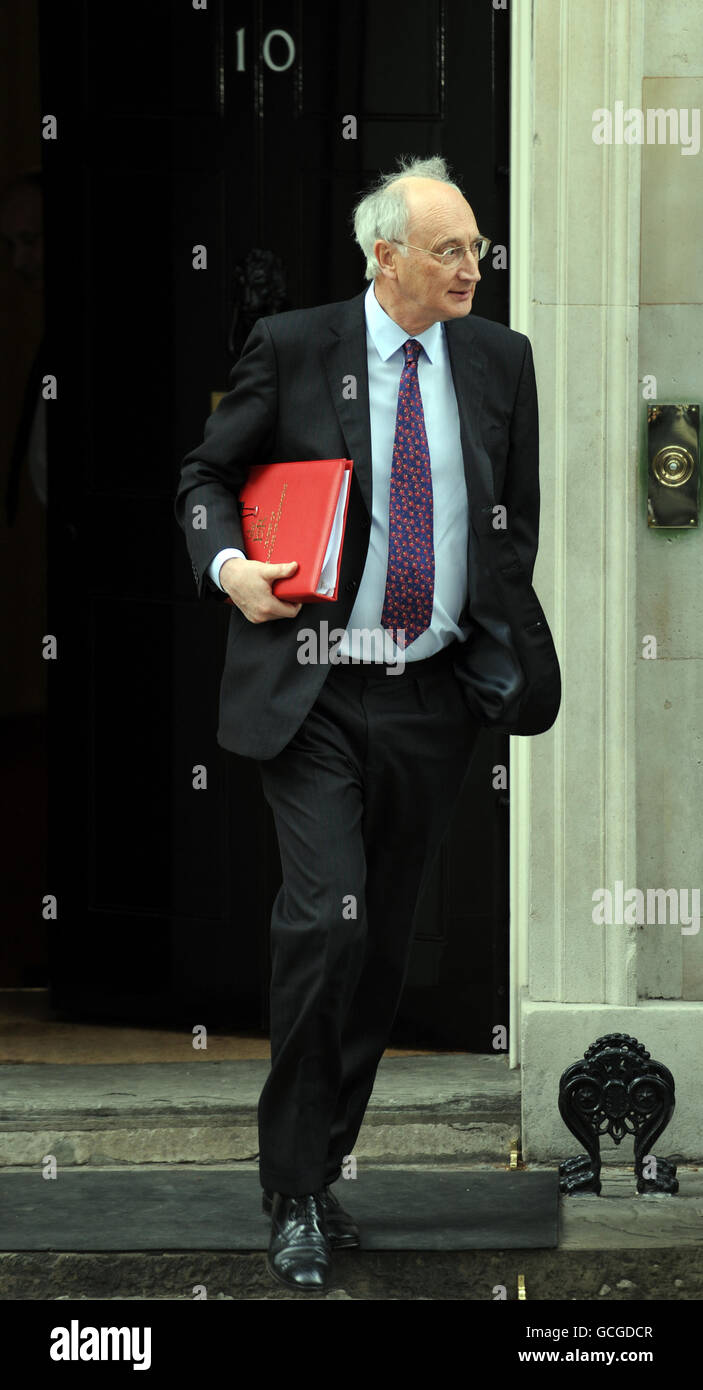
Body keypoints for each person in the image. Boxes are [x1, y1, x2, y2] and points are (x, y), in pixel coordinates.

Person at [174, 155, 560, 1293]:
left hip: (430, 698)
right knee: (326, 926)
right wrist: (231, 566)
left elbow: (509, 516)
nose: (470, 266)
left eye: (477, 247)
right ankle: (289, 1190)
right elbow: (204, 475)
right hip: (317, 687)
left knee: (381, 946)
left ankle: (323, 1167)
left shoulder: (499, 360)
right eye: (447, 249)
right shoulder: (295, 347)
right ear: (382, 255)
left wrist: (482, 635)